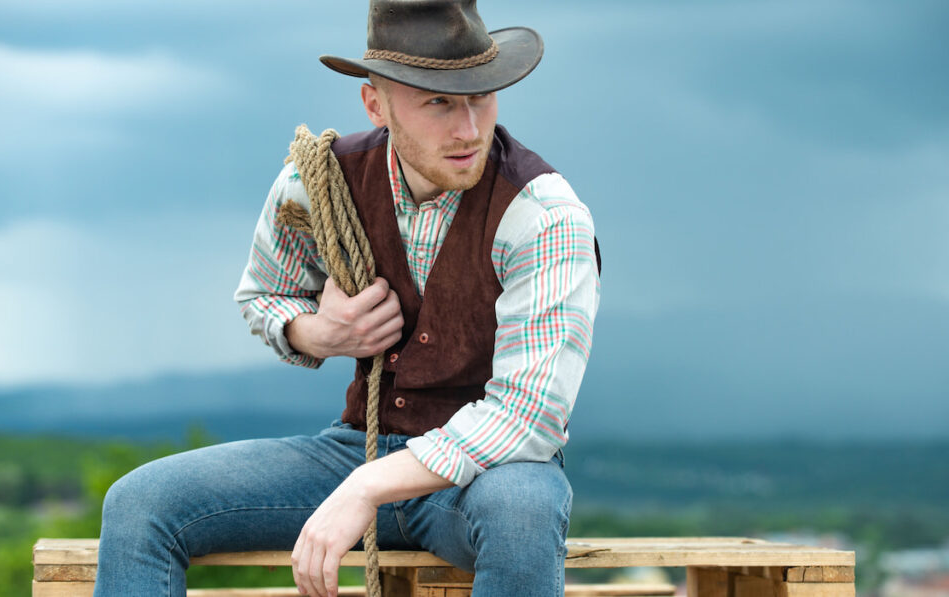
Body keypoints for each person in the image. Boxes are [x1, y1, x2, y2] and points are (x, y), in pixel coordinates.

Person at [93, 1, 600, 596]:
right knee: (140, 504)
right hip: (355, 446)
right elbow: (264, 294)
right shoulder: (318, 181)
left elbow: (528, 416)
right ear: (376, 103)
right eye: (438, 101)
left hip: (485, 477)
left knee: (524, 513)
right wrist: (319, 333)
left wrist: (366, 486)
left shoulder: (544, 215)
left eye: (481, 95)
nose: (468, 128)